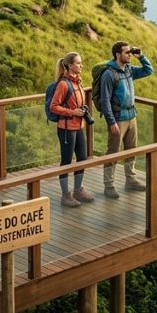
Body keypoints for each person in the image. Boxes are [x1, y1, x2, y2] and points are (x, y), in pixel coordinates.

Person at [98, 41, 154, 198]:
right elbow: (105, 101)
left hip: (131, 116)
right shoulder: (109, 74)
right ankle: (108, 185)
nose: (129, 54)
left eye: (130, 52)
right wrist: (111, 122)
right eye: (127, 52)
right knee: (113, 152)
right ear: (117, 54)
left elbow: (148, 70)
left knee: (131, 150)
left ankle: (130, 180)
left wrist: (141, 56)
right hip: (118, 118)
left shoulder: (129, 69)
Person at [50, 52, 94, 207]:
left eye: (81, 63)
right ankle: (65, 195)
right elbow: (54, 106)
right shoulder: (63, 84)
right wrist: (72, 112)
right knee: (67, 161)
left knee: (82, 159)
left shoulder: (78, 82)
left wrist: (81, 109)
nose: (81, 65)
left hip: (78, 126)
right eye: (78, 63)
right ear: (69, 65)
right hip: (66, 128)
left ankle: (77, 190)